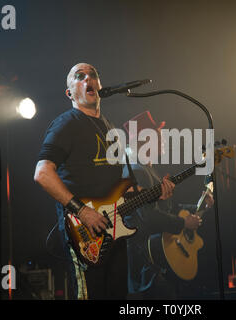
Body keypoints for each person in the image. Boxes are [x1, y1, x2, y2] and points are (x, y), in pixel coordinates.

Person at [33, 63, 175, 300]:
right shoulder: (67, 123)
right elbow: (42, 173)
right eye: (80, 76)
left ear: (99, 85)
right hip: (83, 230)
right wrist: (83, 212)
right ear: (70, 93)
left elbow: (124, 189)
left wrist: (153, 193)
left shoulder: (109, 128)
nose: (88, 78)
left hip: (114, 232)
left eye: (93, 75)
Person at [123, 111, 213, 299]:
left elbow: (167, 208)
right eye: (159, 135)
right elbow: (148, 216)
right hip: (144, 265)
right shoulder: (137, 171)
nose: (164, 139)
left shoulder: (147, 169)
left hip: (155, 262)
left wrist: (197, 206)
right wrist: (183, 224)